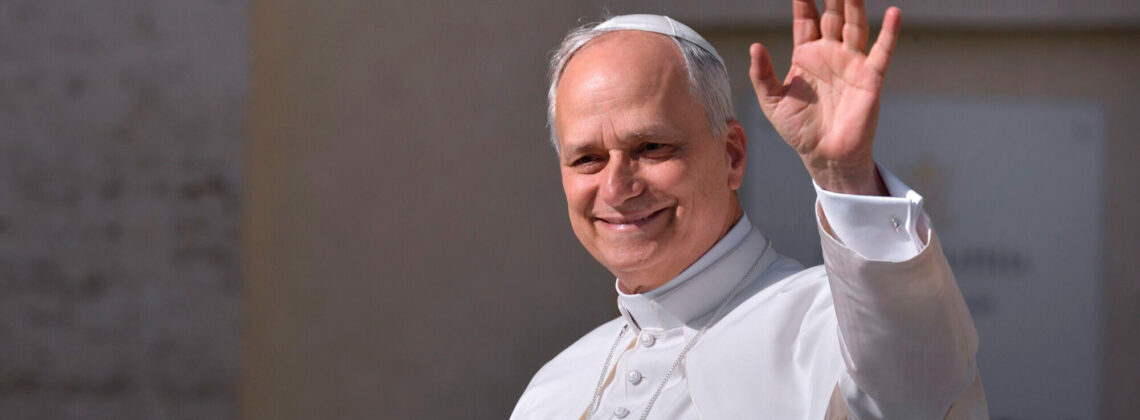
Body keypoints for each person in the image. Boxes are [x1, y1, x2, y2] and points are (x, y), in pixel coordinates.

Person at [512, 1, 987, 419]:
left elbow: (918, 392)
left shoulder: (832, 326)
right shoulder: (552, 388)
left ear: (732, 156)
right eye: (587, 159)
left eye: (651, 147)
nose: (617, 188)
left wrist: (844, 175)